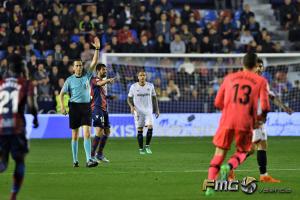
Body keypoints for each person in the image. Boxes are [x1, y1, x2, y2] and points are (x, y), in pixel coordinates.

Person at [204, 53, 270, 196]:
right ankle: (229, 167)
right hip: (246, 122)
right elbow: (265, 107)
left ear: (243, 64)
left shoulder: (229, 78)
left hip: (227, 120)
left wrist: (230, 109)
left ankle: (210, 186)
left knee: (219, 153)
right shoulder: (261, 81)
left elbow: (217, 103)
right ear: (256, 65)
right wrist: (258, 120)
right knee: (243, 151)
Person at [230, 58, 293, 183]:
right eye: (257, 66)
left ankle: (264, 175)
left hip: (261, 120)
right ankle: (230, 168)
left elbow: (271, 97)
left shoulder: (263, 82)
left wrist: (284, 108)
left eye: (261, 66)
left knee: (262, 146)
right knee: (251, 148)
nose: (259, 68)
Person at [0, 54, 39, 200]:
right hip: (17, 128)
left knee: (3, 163)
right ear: (23, 68)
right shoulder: (26, 83)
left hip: (1, 127)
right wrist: (35, 118)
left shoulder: (1, 83)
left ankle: (3, 160)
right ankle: (13, 195)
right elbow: (31, 105)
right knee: (19, 160)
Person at [59, 37, 100, 168]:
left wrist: (97, 49)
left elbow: (94, 61)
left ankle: (89, 160)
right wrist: (62, 107)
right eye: (76, 65)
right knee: (75, 135)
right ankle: (75, 160)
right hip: (74, 107)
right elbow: (61, 94)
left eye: (80, 65)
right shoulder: (69, 80)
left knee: (87, 133)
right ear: (73, 68)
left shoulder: (87, 75)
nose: (79, 67)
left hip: (86, 107)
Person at [127, 70, 160, 154]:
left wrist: (157, 109)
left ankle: (147, 147)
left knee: (150, 127)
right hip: (138, 111)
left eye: (144, 75)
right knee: (140, 129)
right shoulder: (133, 87)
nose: (142, 77)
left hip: (148, 110)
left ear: (146, 77)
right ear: (138, 77)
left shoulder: (150, 86)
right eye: (140, 75)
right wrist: (131, 106)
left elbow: (154, 97)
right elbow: (129, 98)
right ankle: (141, 149)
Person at [90, 63, 115, 163]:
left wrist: (109, 97)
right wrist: (108, 80)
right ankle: (91, 156)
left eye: (106, 70)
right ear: (98, 70)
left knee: (107, 132)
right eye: (103, 70)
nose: (105, 71)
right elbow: (99, 84)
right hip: (96, 108)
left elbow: (101, 95)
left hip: (104, 109)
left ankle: (99, 154)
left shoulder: (102, 84)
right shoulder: (94, 80)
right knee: (99, 131)